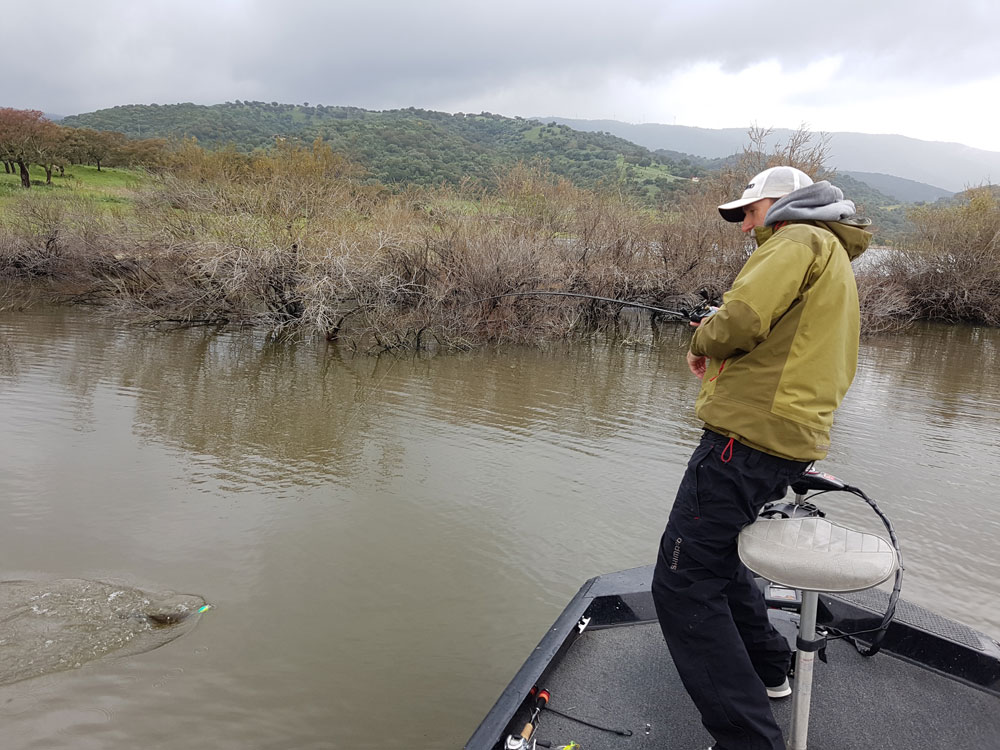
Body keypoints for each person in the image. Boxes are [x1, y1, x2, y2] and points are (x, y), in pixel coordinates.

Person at [651, 165, 872, 750]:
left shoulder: (797, 237)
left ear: (779, 203)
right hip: (785, 439)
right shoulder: (833, 253)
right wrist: (719, 335)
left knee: (681, 581)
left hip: (743, 439)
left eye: (748, 213)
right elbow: (776, 335)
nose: (747, 227)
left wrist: (703, 339)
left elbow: (744, 319)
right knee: (718, 561)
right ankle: (772, 666)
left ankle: (748, 740)